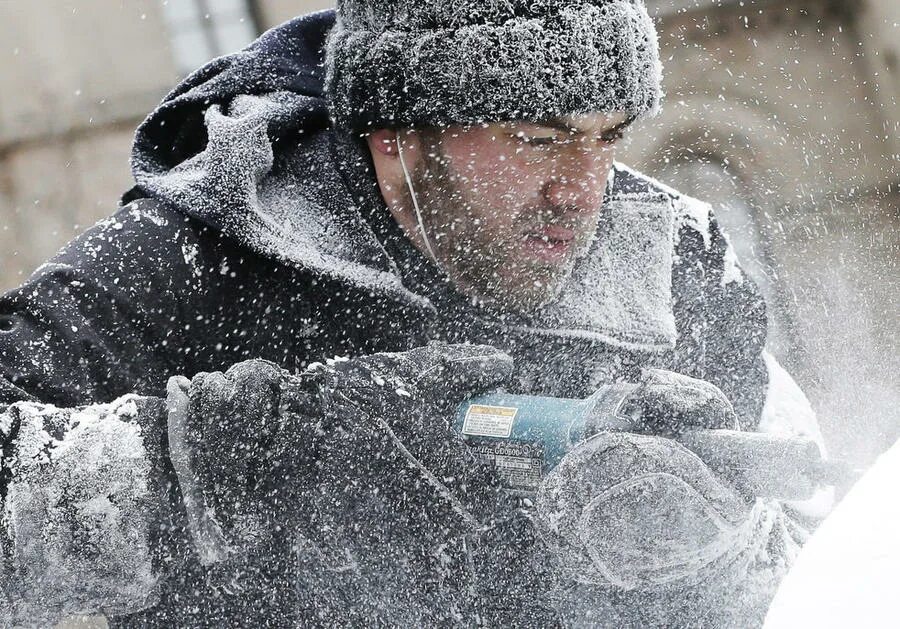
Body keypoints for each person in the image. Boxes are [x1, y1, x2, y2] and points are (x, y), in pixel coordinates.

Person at [0, 3, 830, 627]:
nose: (582, 190)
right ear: (396, 131)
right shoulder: (195, 259)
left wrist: (699, 553)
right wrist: (250, 460)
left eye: (606, 138)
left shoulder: (673, 263)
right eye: (537, 139)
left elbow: (816, 566)